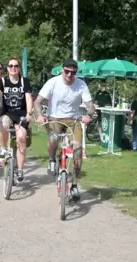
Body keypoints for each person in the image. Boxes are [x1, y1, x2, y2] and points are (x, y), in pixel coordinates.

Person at [34, 58, 95, 200]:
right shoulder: (53, 82)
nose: (69, 75)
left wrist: (88, 115)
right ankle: (52, 159)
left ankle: (74, 185)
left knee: (78, 150)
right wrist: (39, 115)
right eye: (66, 71)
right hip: (54, 118)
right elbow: (38, 101)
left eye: (72, 73)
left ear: (76, 73)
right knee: (54, 138)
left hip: (73, 120)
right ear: (62, 70)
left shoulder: (81, 85)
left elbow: (90, 105)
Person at [0, 57, 33, 182]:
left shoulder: (24, 81)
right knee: (4, 123)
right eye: (10, 66)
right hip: (7, 112)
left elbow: (29, 98)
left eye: (16, 66)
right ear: (7, 68)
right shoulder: (3, 81)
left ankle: (19, 169)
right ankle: (3, 149)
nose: (13, 68)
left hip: (21, 114)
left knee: (21, 138)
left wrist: (29, 113)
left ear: (19, 69)